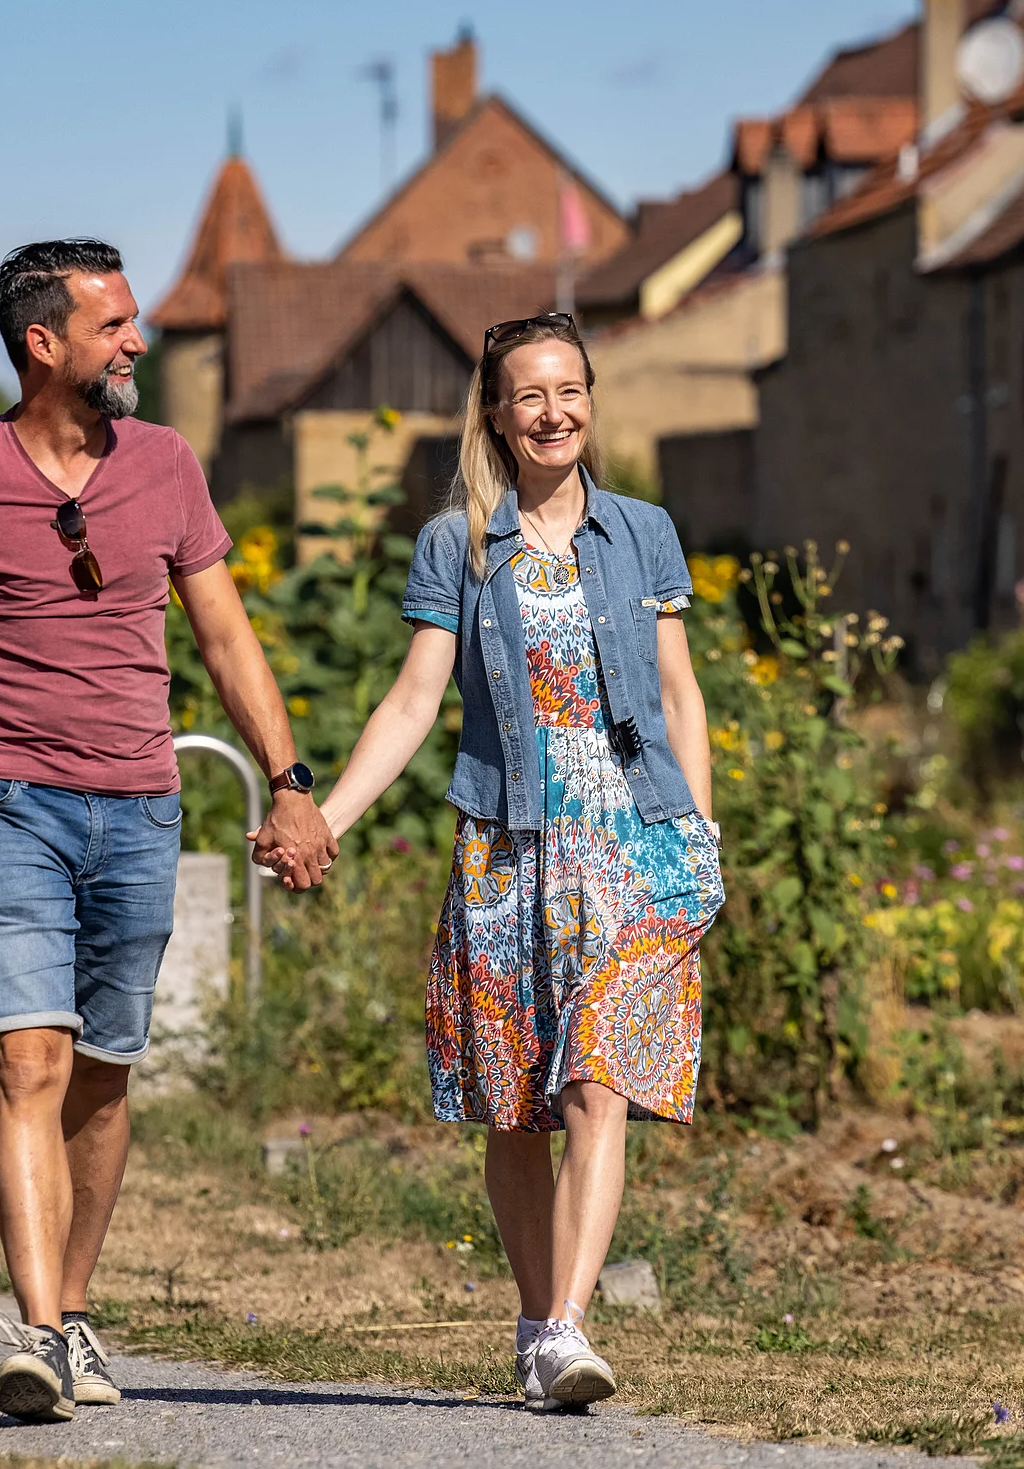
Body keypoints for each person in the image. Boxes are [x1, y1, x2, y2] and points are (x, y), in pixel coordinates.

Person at [0, 239, 336, 1425]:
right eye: (115, 325)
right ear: (43, 344)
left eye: (132, 322)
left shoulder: (168, 466)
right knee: (30, 1059)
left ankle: (69, 1312)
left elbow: (225, 635)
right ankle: (34, 1331)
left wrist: (291, 777)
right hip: (0, 798)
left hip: (139, 804)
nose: (138, 342)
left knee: (105, 1080)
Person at [268, 310, 721, 1411]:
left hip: (633, 846)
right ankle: (536, 1321)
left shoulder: (644, 530)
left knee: (597, 1085)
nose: (554, 411)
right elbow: (418, 698)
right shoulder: (459, 543)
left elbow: (677, 694)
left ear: (591, 403)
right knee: (517, 1106)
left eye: (571, 390)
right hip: (507, 851)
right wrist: (325, 813)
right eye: (531, 394)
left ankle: (567, 1325)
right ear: (497, 413)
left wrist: (699, 838)